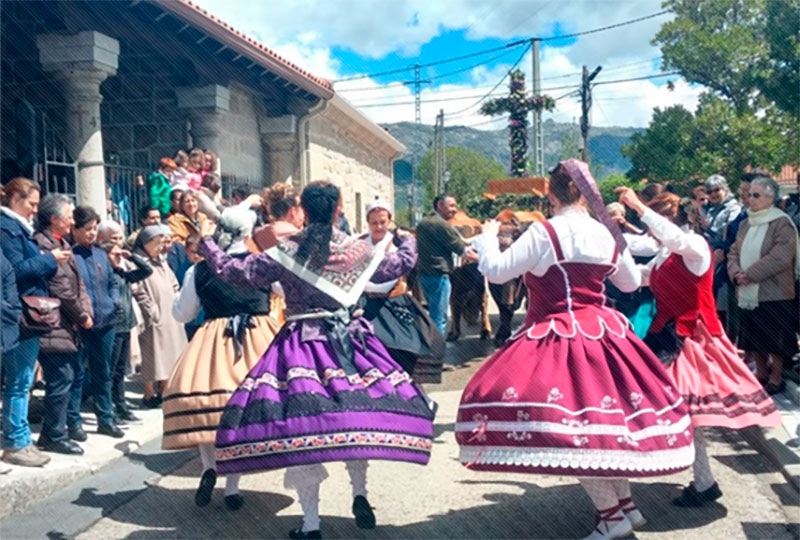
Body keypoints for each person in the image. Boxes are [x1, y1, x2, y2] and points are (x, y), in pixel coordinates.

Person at [455, 160, 695, 540]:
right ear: (585, 194)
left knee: (573, 431)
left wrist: (486, 240)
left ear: (550, 194)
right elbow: (631, 283)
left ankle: (611, 516)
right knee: (603, 426)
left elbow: (499, 272)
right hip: (606, 334)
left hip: (558, 335)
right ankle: (625, 508)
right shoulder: (605, 233)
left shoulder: (545, 231)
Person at [199, 181, 435, 539]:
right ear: (338, 209)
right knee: (354, 421)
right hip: (351, 343)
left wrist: (207, 245)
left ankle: (311, 524)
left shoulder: (287, 249)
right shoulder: (356, 249)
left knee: (305, 432)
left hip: (301, 345)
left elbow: (238, 273)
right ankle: (360, 493)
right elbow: (397, 266)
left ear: (303, 211)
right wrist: (407, 240)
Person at [618, 188, 780, 508]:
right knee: (679, 412)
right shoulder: (667, 252)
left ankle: (698, 480)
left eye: (654, 220)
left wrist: (637, 207)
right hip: (667, 335)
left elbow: (675, 241)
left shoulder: (694, 246)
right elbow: (640, 277)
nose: (649, 229)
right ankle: (701, 480)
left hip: (692, 340)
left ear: (668, 220)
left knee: (681, 411)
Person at [163, 206, 281, 511]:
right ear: (249, 232)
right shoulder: (264, 264)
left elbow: (182, 313)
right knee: (244, 408)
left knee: (207, 407)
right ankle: (232, 488)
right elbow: (287, 291)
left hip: (214, 338)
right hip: (258, 336)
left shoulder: (199, 269)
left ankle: (209, 467)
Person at [1, 179, 65, 467]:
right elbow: (16, 269)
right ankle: (16, 441)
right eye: (31, 204)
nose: (34, 210)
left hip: (28, 314)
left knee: (23, 380)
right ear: (15, 198)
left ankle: (22, 438)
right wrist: (49, 259)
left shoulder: (19, 229)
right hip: (21, 314)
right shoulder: (7, 229)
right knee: (19, 380)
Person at [728, 175, 799, 394]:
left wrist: (750, 275)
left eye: (756, 195)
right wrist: (736, 273)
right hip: (747, 291)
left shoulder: (781, 223)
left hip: (774, 292)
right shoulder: (745, 223)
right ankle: (761, 372)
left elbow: (780, 257)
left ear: (771, 197)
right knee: (753, 337)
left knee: (773, 339)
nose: (751, 199)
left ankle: (776, 377)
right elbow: (733, 252)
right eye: (749, 195)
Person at [34, 194, 93, 455]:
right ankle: (54, 434)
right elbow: (60, 287)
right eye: (68, 215)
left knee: (69, 377)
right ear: (55, 218)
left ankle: (55, 430)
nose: (72, 220)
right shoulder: (44, 245)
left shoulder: (63, 242)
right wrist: (81, 315)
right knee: (60, 379)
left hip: (68, 324)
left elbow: (78, 286)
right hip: (54, 324)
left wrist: (85, 311)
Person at [358, 199, 445, 378]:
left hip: (392, 303)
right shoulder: (359, 243)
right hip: (365, 304)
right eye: (374, 222)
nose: (379, 226)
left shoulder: (398, 243)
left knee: (403, 346)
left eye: (383, 222)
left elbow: (409, 266)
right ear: (368, 222)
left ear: (389, 221)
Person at [70, 207, 124, 439]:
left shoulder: (101, 254)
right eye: (87, 229)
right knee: (77, 373)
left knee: (103, 372)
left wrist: (113, 302)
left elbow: (113, 282)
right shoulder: (70, 255)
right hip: (80, 323)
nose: (92, 233)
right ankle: (73, 421)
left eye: (94, 229)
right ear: (75, 229)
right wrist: (81, 314)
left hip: (105, 322)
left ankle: (106, 418)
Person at [97, 220, 152, 423]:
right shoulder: (105, 274)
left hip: (126, 324)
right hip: (112, 326)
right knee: (109, 370)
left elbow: (146, 271)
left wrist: (132, 256)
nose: (118, 257)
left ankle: (121, 406)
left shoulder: (123, 274)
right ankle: (109, 408)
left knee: (121, 370)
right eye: (115, 254)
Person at [134, 225, 188, 408]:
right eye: (156, 243)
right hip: (153, 314)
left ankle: (165, 390)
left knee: (170, 353)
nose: (160, 248)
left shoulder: (161, 260)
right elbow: (138, 289)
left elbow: (173, 282)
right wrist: (151, 310)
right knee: (152, 354)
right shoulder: (138, 261)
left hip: (169, 311)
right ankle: (149, 393)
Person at [415, 194, 470, 336]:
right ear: (439, 205)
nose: (454, 210)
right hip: (439, 276)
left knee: (432, 314)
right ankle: (437, 351)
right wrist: (483, 259)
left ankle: (429, 347)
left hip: (423, 275)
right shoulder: (442, 225)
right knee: (440, 317)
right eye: (451, 205)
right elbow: (461, 249)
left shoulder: (423, 223)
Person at [703, 174, 742, 325]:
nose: (713, 194)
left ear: (725, 189)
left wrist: (723, 249)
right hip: (711, 255)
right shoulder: (711, 210)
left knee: (723, 300)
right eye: (709, 192)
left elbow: (732, 233)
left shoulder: (733, 208)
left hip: (726, 256)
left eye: (716, 190)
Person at [252, 183, 305, 251]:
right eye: (301, 208)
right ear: (293, 212)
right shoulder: (298, 237)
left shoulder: (258, 233)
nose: (303, 214)